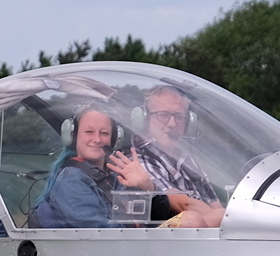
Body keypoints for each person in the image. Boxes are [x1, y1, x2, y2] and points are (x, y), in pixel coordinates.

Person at [106, 85, 225, 227]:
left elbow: (214, 203)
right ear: (144, 119)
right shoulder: (137, 163)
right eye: (163, 115)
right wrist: (222, 218)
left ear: (189, 122)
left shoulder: (188, 161)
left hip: (204, 238)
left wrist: (222, 217)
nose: (172, 124)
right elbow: (179, 203)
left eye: (179, 116)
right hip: (163, 243)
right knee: (192, 220)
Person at [31, 108, 119, 228]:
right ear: (73, 136)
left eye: (104, 133)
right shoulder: (72, 179)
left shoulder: (113, 177)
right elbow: (100, 233)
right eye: (89, 132)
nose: (97, 139)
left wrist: (146, 186)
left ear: (113, 139)